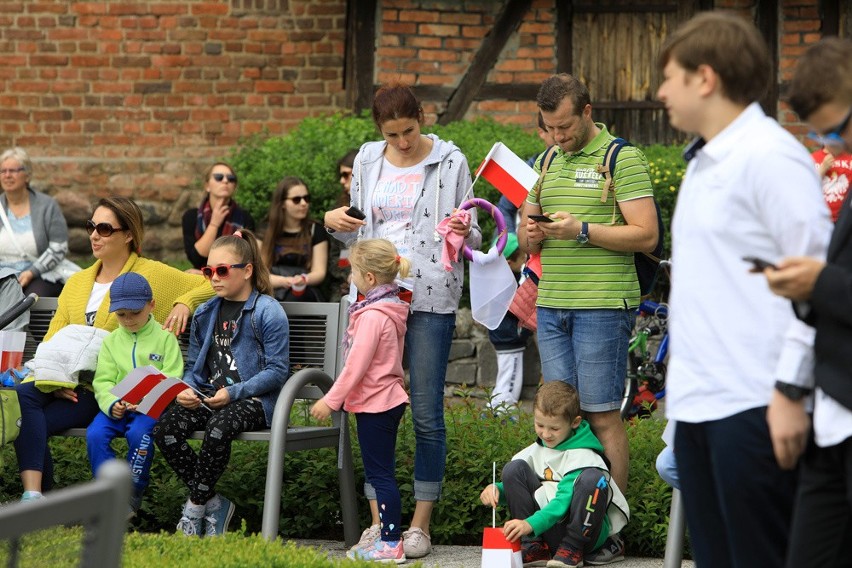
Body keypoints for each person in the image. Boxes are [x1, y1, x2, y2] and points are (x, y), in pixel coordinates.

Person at [655, 12, 832, 568]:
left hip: (757, 403)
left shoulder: (771, 157)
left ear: (705, 77)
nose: (660, 92)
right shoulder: (704, 162)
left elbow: (819, 282)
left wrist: (789, 392)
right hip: (698, 404)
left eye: (669, 77)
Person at [324, 83, 481, 559]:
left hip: (429, 294)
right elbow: (351, 229)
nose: (404, 142)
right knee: (371, 407)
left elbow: (473, 228)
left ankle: (419, 526)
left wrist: (462, 227)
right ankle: (380, 523)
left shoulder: (451, 161)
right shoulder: (370, 160)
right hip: (373, 298)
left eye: (409, 131)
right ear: (379, 132)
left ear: (422, 118)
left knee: (428, 411)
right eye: (393, 135)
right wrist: (333, 221)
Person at [517, 73, 656, 562]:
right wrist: (529, 226)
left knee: (599, 415)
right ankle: (568, 530)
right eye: (550, 128)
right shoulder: (546, 161)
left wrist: (580, 231)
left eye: (566, 126)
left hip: (602, 303)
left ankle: (611, 529)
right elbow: (527, 243)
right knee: (558, 418)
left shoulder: (624, 158)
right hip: (552, 303)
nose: (558, 137)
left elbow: (646, 236)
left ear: (588, 111)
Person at [13, 196, 214, 502]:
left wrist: (186, 301)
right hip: (67, 384)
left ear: (129, 234)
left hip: (107, 391)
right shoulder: (78, 281)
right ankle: (35, 495)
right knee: (22, 398)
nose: (94, 234)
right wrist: (51, 381)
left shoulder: (152, 274)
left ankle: (41, 498)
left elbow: (212, 284)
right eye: (92, 226)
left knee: (27, 419)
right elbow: (53, 338)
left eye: (105, 228)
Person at [763, 37, 852, 568]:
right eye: (822, 135)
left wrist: (818, 282)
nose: (835, 148)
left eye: (838, 129)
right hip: (832, 414)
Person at [153, 230, 289, 538]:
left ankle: (194, 507)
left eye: (222, 270)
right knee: (165, 430)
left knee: (218, 427)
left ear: (248, 270)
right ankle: (214, 502)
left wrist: (234, 392)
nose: (214, 278)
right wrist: (186, 388)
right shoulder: (205, 313)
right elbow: (193, 368)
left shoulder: (268, 311)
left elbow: (277, 371)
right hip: (213, 396)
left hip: (256, 401)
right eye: (208, 271)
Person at [310, 238, 411, 563]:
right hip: (382, 400)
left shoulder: (372, 317)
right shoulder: (386, 308)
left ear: (369, 277)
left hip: (377, 403)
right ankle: (385, 537)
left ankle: (391, 542)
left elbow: (356, 367)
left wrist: (331, 400)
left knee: (380, 475)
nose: (350, 277)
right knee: (379, 473)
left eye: (353, 271)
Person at [479, 381, 628, 568]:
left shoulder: (584, 456)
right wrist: (497, 491)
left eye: (554, 428)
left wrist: (530, 523)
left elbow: (562, 502)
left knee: (592, 479)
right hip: (547, 527)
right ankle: (533, 546)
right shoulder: (539, 448)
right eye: (539, 425)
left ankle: (573, 549)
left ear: (575, 423)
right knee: (513, 469)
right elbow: (523, 487)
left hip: (584, 535)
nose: (546, 434)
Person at [86, 271, 184, 517]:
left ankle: (132, 491)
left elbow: (173, 375)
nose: (128, 320)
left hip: (150, 408)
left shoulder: (165, 338)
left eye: (135, 313)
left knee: (140, 433)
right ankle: (107, 491)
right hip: (118, 406)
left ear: (151, 305)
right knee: (95, 434)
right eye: (121, 315)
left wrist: (146, 398)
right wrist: (112, 403)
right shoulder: (111, 342)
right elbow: (103, 380)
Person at [0, 147, 70, 297]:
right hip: (2, 275)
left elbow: (59, 247)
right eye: (3, 171)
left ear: (27, 175)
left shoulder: (47, 206)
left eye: (13, 170)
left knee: (33, 299)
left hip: (39, 274)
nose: (7, 175)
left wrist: (32, 272)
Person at [261, 176, 329, 302]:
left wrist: (303, 279)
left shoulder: (315, 229)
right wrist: (285, 281)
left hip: (305, 292)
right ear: (282, 204)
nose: (304, 203)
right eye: (296, 200)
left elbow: (319, 272)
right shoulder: (264, 231)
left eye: (306, 198)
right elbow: (259, 274)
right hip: (272, 291)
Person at [485, 233, 531, 416]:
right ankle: (503, 412)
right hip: (510, 338)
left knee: (505, 377)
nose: (525, 261)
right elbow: (517, 307)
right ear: (510, 262)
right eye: (522, 258)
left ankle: (494, 409)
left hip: (505, 337)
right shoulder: (508, 282)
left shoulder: (498, 279)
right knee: (510, 380)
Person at [182, 162, 255, 270]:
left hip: (233, 275)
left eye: (230, 178)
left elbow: (244, 258)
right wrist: (214, 224)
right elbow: (196, 259)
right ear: (207, 186)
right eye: (218, 177)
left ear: (234, 186)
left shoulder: (244, 218)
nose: (225, 181)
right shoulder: (192, 216)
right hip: (203, 273)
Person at [497, 112, 557, 235]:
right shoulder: (528, 169)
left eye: (565, 127)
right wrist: (514, 247)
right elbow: (504, 210)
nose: (560, 136)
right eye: (552, 130)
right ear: (541, 132)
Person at [328, 149, 360, 300]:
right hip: (345, 283)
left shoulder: (380, 204)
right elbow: (337, 256)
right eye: (341, 175)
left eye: (347, 175)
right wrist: (348, 273)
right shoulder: (340, 209)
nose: (342, 181)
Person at [811, 139, 852, 223]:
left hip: (843, 220)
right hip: (818, 217)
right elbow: (806, 187)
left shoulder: (850, 159)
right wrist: (822, 169)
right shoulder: (812, 158)